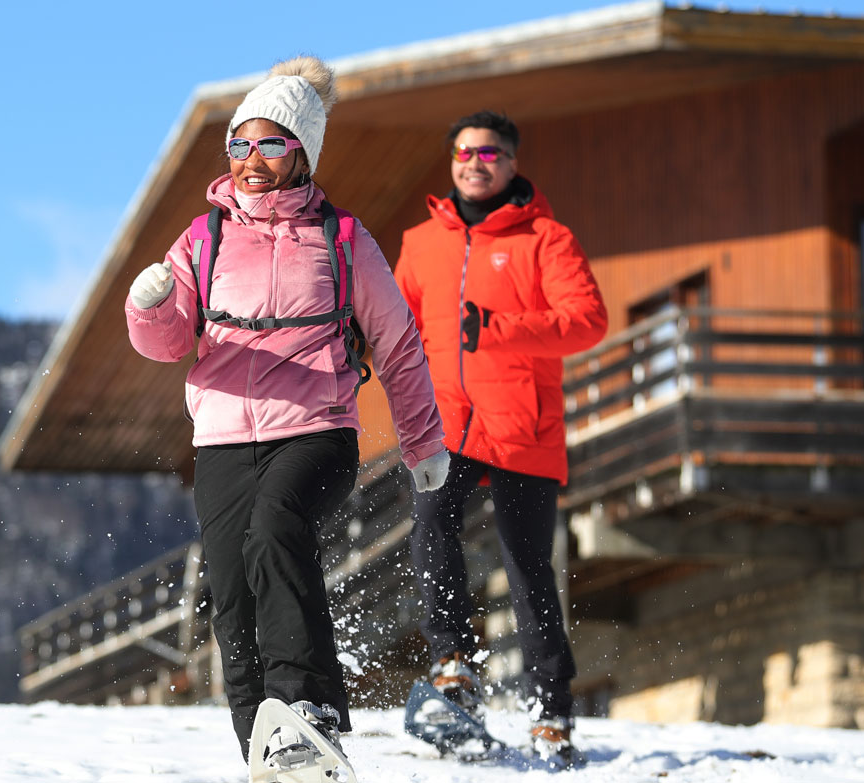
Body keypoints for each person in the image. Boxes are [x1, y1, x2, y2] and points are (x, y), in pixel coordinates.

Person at [125, 56, 451, 764]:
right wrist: (147, 307)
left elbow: (396, 344)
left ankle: (311, 706)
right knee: (233, 594)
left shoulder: (342, 239)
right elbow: (171, 336)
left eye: (269, 145)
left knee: (276, 529)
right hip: (220, 440)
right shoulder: (204, 239)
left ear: (300, 153)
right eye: (240, 145)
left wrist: (423, 444)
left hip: (315, 431)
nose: (250, 160)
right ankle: (268, 753)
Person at [392, 110, 607, 762]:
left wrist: (502, 327)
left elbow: (587, 320)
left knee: (528, 569)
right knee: (430, 524)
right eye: (463, 151)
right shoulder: (420, 241)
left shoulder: (547, 238)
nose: (474, 162)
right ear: (450, 161)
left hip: (523, 426)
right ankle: (453, 659)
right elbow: (394, 322)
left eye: (489, 153)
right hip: (446, 420)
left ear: (511, 163)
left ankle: (553, 713)